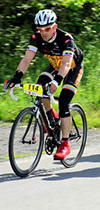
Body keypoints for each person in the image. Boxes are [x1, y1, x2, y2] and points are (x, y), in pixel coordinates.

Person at [5, 9, 84, 160]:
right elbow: (26, 59)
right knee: (40, 87)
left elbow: (67, 64)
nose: (44, 32)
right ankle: (51, 117)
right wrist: (17, 77)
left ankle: (65, 144)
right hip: (55, 66)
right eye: (41, 29)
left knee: (64, 102)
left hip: (72, 68)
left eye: (47, 28)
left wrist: (57, 82)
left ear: (55, 27)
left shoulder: (66, 39)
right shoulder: (36, 38)